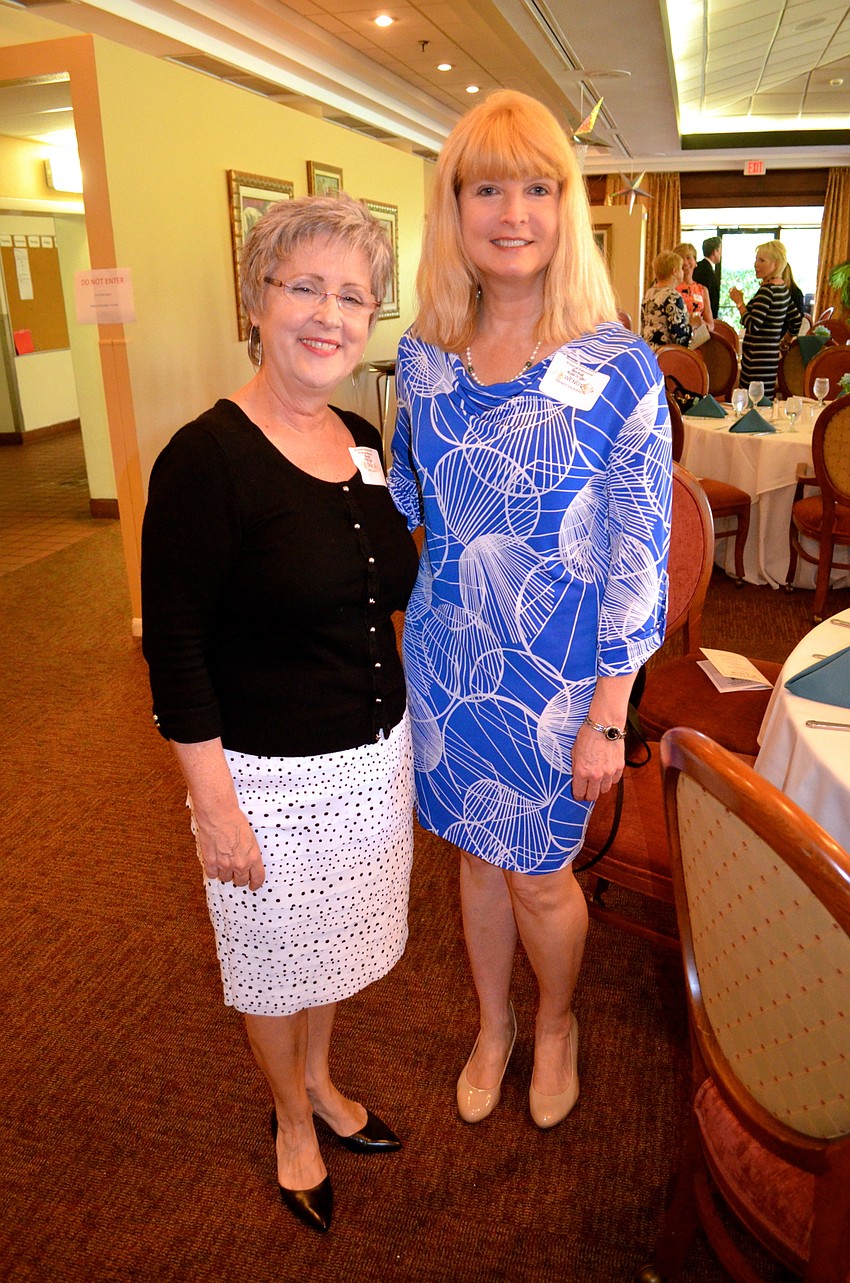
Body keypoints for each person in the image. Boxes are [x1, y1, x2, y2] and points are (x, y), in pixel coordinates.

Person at [388, 91, 671, 1132]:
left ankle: (553, 1022)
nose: (514, 211)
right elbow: (403, 511)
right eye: (488, 186)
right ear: (455, 207)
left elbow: (642, 557)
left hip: (557, 683)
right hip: (448, 663)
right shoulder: (423, 356)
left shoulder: (618, 368)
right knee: (473, 858)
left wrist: (609, 708)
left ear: (568, 206)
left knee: (541, 876)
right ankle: (491, 1022)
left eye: (539, 187)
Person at [140, 194, 419, 1234]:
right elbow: (175, 648)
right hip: (266, 778)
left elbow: (373, 589)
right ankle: (290, 1114)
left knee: (333, 946)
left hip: (367, 761)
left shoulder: (356, 436)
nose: (329, 314)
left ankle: (323, 1076)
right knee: (272, 956)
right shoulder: (204, 459)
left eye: (353, 296)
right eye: (304, 286)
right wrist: (214, 806)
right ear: (256, 300)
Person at [729, 239, 802, 399]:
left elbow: (753, 325)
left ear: (775, 265)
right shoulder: (781, 288)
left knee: (752, 403)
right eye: (756, 259)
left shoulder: (767, 292)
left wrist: (740, 303)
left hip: (755, 358)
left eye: (762, 260)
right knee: (764, 401)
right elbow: (796, 320)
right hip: (770, 356)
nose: (756, 264)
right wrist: (785, 340)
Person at [641, 250, 692, 350]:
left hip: (648, 350)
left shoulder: (649, 293)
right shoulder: (673, 296)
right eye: (681, 268)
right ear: (675, 271)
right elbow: (680, 338)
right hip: (667, 355)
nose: (683, 272)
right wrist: (693, 325)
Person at [673, 241, 715, 333]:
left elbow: (711, 324)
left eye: (688, 257)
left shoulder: (703, 290)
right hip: (677, 339)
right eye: (680, 259)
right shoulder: (671, 289)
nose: (685, 262)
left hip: (698, 340)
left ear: (695, 261)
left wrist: (701, 324)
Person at [693, 235, 722, 316]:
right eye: (720, 251)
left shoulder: (699, 266)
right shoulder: (706, 271)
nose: (721, 254)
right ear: (714, 252)